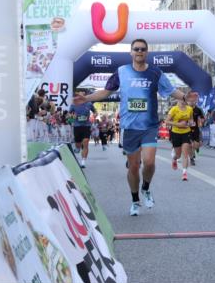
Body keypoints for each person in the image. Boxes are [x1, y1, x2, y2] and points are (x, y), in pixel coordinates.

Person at [75, 38, 188, 216]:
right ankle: (135, 200)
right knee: (134, 167)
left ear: (147, 52)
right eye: (136, 49)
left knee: (149, 163)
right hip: (130, 127)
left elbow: (171, 90)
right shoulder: (122, 72)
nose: (139, 51)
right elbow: (106, 92)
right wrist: (87, 98)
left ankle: (146, 188)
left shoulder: (155, 73)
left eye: (143, 49)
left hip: (149, 125)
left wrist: (185, 97)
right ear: (131, 52)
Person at [166, 93, 194, 182]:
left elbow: (191, 120)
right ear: (178, 100)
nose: (183, 101)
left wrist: (190, 123)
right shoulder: (174, 109)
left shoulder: (189, 109)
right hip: (176, 133)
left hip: (186, 132)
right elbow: (166, 121)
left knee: (185, 153)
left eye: (184, 99)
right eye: (181, 99)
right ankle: (174, 159)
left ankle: (184, 173)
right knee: (178, 155)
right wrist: (178, 124)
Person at [69, 91, 95, 168]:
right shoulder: (74, 104)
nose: (80, 96)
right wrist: (72, 118)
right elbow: (70, 114)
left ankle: (83, 162)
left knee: (85, 142)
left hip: (86, 125)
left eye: (82, 95)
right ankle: (77, 147)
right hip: (77, 126)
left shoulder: (89, 104)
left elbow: (94, 111)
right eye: (79, 95)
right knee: (78, 144)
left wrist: (95, 114)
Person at [187, 91, 204, 165]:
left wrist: (201, 121)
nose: (193, 102)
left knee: (197, 144)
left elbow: (203, 118)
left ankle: (195, 150)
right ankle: (191, 158)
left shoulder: (198, 109)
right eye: (192, 101)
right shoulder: (186, 109)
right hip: (187, 129)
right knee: (190, 144)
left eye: (195, 101)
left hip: (196, 128)